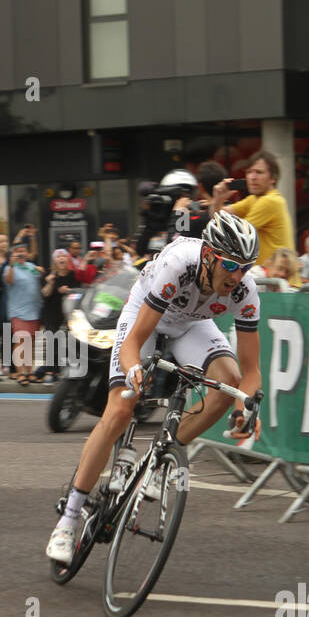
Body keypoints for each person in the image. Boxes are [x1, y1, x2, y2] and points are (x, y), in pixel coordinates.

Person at [45, 210, 263, 562]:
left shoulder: (245, 292)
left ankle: (163, 452)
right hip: (146, 315)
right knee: (118, 410)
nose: (237, 276)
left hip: (192, 323)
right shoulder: (178, 266)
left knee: (229, 383)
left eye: (246, 268)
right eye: (230, 265)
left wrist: (246, 406)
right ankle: (69, 518)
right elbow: (134, 342)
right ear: (209, 256)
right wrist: (133, 372)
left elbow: (252, 372)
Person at [211, 150, 293, 269]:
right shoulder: (254, 199)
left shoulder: (270, 201)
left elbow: (235, 236)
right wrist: (218, 199)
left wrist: (216, 203)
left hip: (278, 282)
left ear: (273, 178)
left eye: (259, 172)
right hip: (266, 279)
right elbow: (218, 218)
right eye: (249, 172)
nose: (252, 177)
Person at [33, 248, 79, 383]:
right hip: (51, 313)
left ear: (68, 259)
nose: (61, 258)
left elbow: (80, 291)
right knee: (52, 341)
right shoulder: (49, 275)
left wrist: (69, 291)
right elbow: (45, 293)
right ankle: (50, 371)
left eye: (64, 256)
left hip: (68, 314)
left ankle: (60, 370)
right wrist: (51, 283)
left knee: (68, 342)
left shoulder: (73, 275)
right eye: (58, 257)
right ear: (55, 261)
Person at [4, 241, 44, 385]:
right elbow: (8, 280)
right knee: (21, 342)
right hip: (18, 311)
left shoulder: (31, 267)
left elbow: (40, 280)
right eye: (18, 252)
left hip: (34, 310)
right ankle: (20, 373)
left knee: (31, 343)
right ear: (13, 254)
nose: (21, 254)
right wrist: (12, 264)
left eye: (23, 251)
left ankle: (29, 371)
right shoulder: (10, 268)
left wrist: (41, 272)